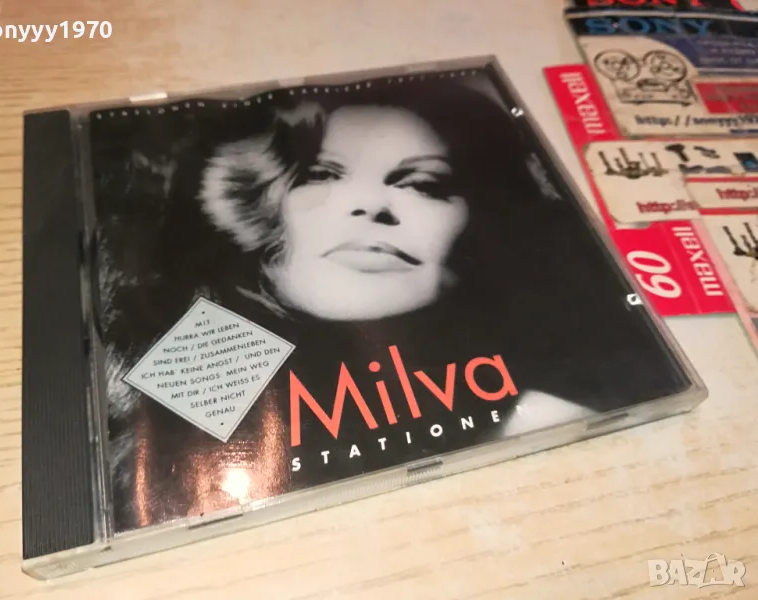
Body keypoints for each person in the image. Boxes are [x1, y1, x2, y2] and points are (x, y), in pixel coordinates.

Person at [93, 71, 691, 531]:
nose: (373, 207)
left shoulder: (547, 407)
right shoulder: (188, 368)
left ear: (477, 224)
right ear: (252, 202)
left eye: (424, 184)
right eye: (321, 175)